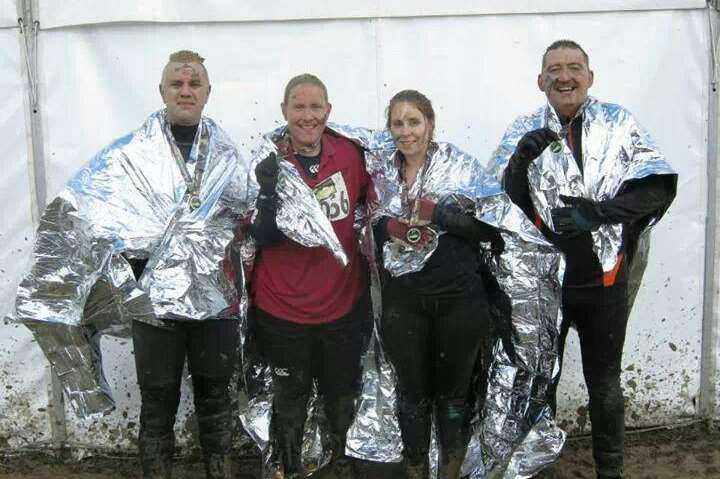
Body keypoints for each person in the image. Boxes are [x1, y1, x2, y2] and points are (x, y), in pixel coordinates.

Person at [14, 50, 246, 479]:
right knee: (158, 402)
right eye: (177, 84)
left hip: (215, 303)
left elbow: (240, 224)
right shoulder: (130, 156)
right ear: (162, 91)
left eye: (194, 83)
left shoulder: (227, 155)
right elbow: (80, 211)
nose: (186, 90)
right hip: (154, 307)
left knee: (216, 399)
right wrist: (126, 272)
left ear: (208, 92)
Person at [497, 40, 677, 479]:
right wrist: (519, 162)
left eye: (574, 67)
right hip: (545, 286)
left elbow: (658, 188)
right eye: (554, 69)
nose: (564, 76)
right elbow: (502, 206)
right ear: (540, 81)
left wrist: (597, 213)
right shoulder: (523, 127)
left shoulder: (619, 123)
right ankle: (543, 468)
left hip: (604, 281)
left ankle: (610, 471)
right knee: (543, 386)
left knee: (605, 384)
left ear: (590, 77)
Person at [372, 90, 505, 479]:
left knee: (453, 395)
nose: (405, 131)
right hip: (404, 302)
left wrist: (441, 215)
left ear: (430, 124)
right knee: (411, 394)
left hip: (458, 301)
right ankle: (416, 470)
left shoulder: (462, 167)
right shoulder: (381, 170)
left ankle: (449, 471)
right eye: (398, 123)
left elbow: (490, 229)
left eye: (413, 122)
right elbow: (368, 222)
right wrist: (390, 227)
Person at [247, 74, 371, 479]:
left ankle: (338, 464)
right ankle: (289, 468)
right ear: (284, 111)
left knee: (341, 397)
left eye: (315, 107)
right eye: (298, 107)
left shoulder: (351, 156)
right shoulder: (265, 162)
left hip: (341, 306)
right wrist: (266, 194)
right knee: (289, 402)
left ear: (328, 112)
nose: (307, 116)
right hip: (282, 309)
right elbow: (255, 234)